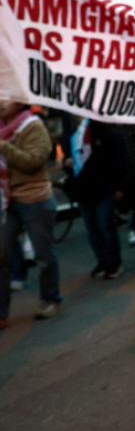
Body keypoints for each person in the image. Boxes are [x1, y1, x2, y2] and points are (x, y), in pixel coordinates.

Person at [1, 101, 61, 324]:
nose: (0, 103)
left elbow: (33, 162)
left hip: (34, 198)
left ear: (18, 101)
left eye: (4, 98)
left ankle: (51, 299)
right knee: (2, 255)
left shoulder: (33, 126)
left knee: (43, 255)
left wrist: (4, 147)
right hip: (8, 201)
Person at [62, 115, 126, 279]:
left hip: (102, 185)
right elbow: (68, 153)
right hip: (83, 188)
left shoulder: (102, 128)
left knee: (105, 224)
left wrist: (119, 186)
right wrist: (67, 162)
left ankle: (114, 262)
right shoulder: (72, 130)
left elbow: (115, 158)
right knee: (92, 228)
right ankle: (103, 261)